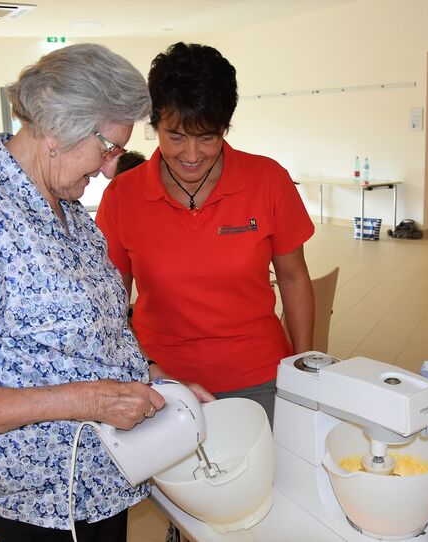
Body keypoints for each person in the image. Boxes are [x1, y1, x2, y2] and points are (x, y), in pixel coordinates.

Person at [0, 44, 163, 542]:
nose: (111, 170)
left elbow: (90, 333)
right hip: (39, 497)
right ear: (60, 130)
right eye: (108, 149)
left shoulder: (64, 203)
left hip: (97, 476)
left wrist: (155, 382)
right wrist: (87, 399)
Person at [96, 42, 315, 425]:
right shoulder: (122, 196)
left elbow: (294, 277)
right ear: (155, 126)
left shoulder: (267, 181)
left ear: (225, 128)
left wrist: (304, 368)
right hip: (161, 384)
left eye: (208, 137)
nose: (192, 154)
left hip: (259, 376)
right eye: (176, 136)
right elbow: (109, 304)